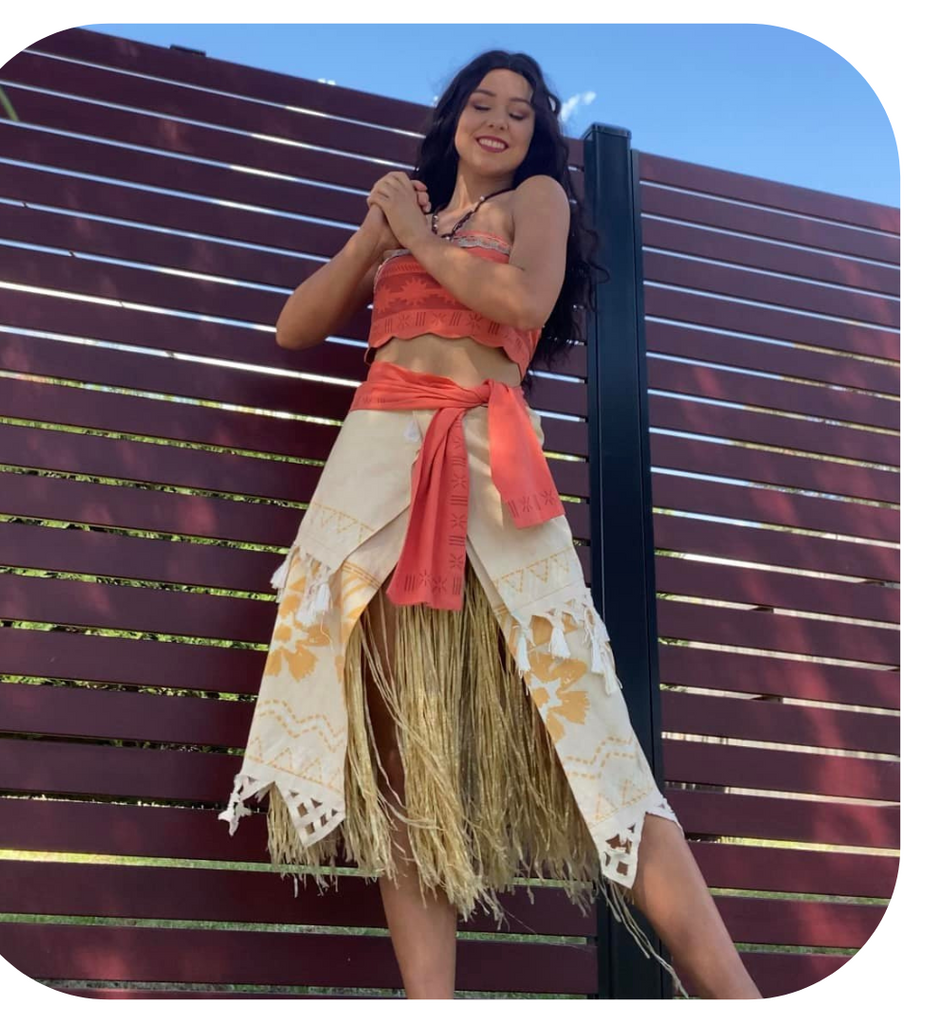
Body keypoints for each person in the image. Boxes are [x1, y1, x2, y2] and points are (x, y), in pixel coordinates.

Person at [219, 50, 763, 1001]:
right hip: (375, 480)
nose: (500, 120)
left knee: (601, 746)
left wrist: (419, 242)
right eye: (483, 103)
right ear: (454, 118)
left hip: (489, 467)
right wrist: (377, 235)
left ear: (536, 134)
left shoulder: (535, 201)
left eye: (521, 111)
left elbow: (521, 300)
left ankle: (740, 1000)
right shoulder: (408, 218)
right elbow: (295, 328)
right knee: (409, 754)